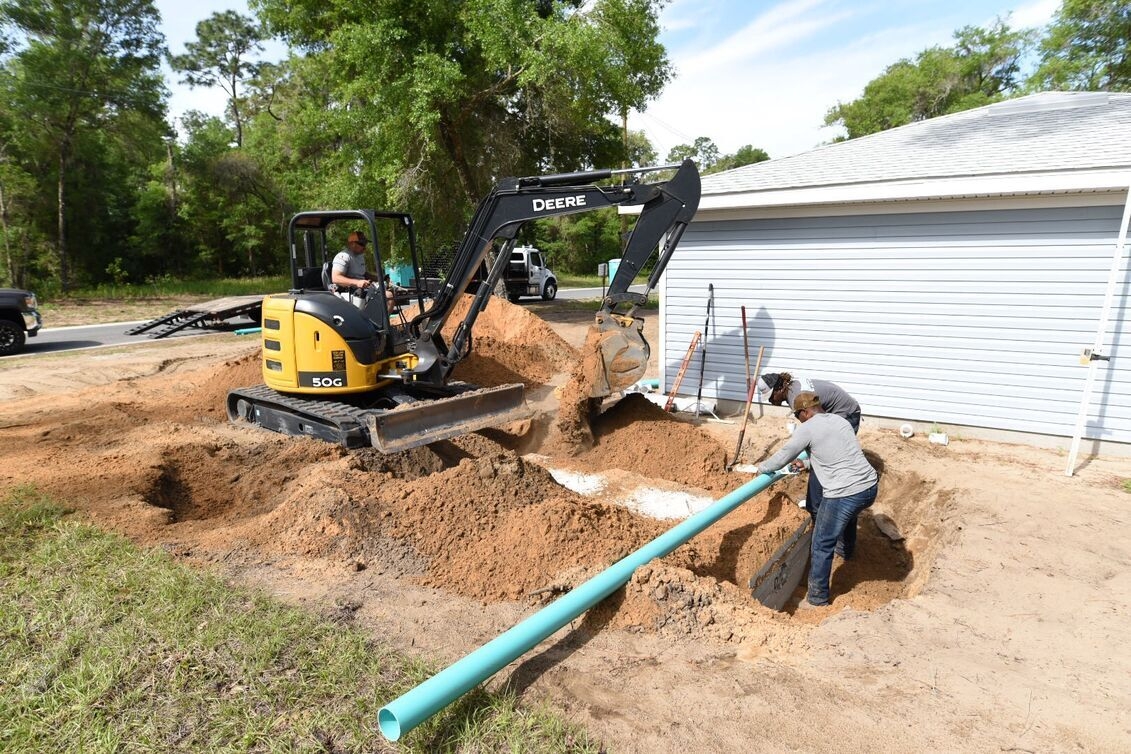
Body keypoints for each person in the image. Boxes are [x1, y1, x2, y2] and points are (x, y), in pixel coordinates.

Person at [756, 391, 878, 608]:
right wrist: (808, 464)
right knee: (848, 515)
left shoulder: (808, 428)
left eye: (797, 415)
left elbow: (786, 453)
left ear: (804, 412)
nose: (798, 419)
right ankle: (846, 551)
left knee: (822, 542)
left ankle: (816, 599)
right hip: (868, 486)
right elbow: (839, 454)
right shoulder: (840, 421)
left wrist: (762, 468)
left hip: (845, 491)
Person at [757, 371, 862, 517]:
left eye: (770, 396)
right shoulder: (792, 389)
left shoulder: (796, 398)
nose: (770, 401)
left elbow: (805, 438)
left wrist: (765, 467)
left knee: (826, 461)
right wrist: (807, 462)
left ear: (779, 389)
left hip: (845, 413)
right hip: (839, 411)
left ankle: (820, 509)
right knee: (821, 455)